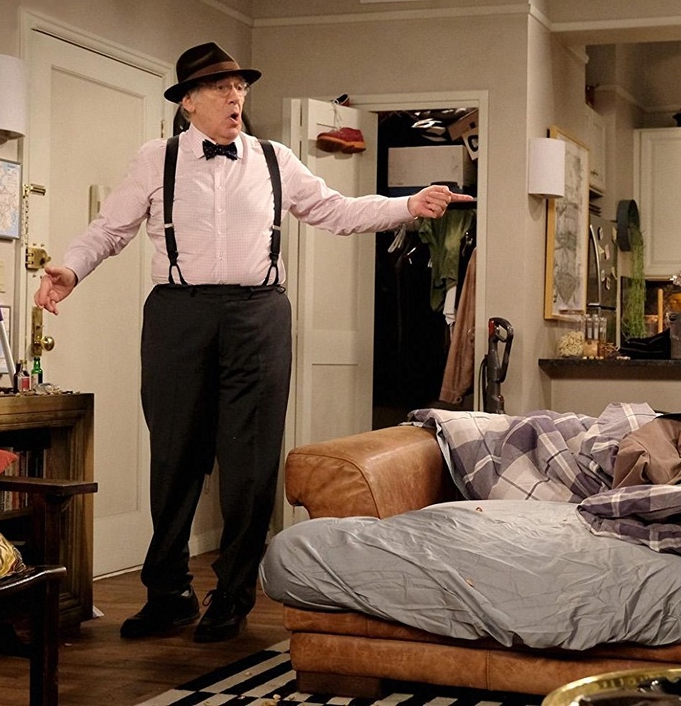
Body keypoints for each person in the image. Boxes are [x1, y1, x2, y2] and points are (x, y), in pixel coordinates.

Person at [34, 42, 472, 643]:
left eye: (239, 87)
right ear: (188, 102)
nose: (235, 97)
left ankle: (234, 594)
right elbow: (110, 229)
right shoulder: (156, 159)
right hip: (178, 316)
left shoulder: (274, 158)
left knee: (250, 461)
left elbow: (336, 210)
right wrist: (71, 269)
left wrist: (409, 206)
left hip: (258, 315)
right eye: (220, 88)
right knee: (174, 457)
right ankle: (168, 593)